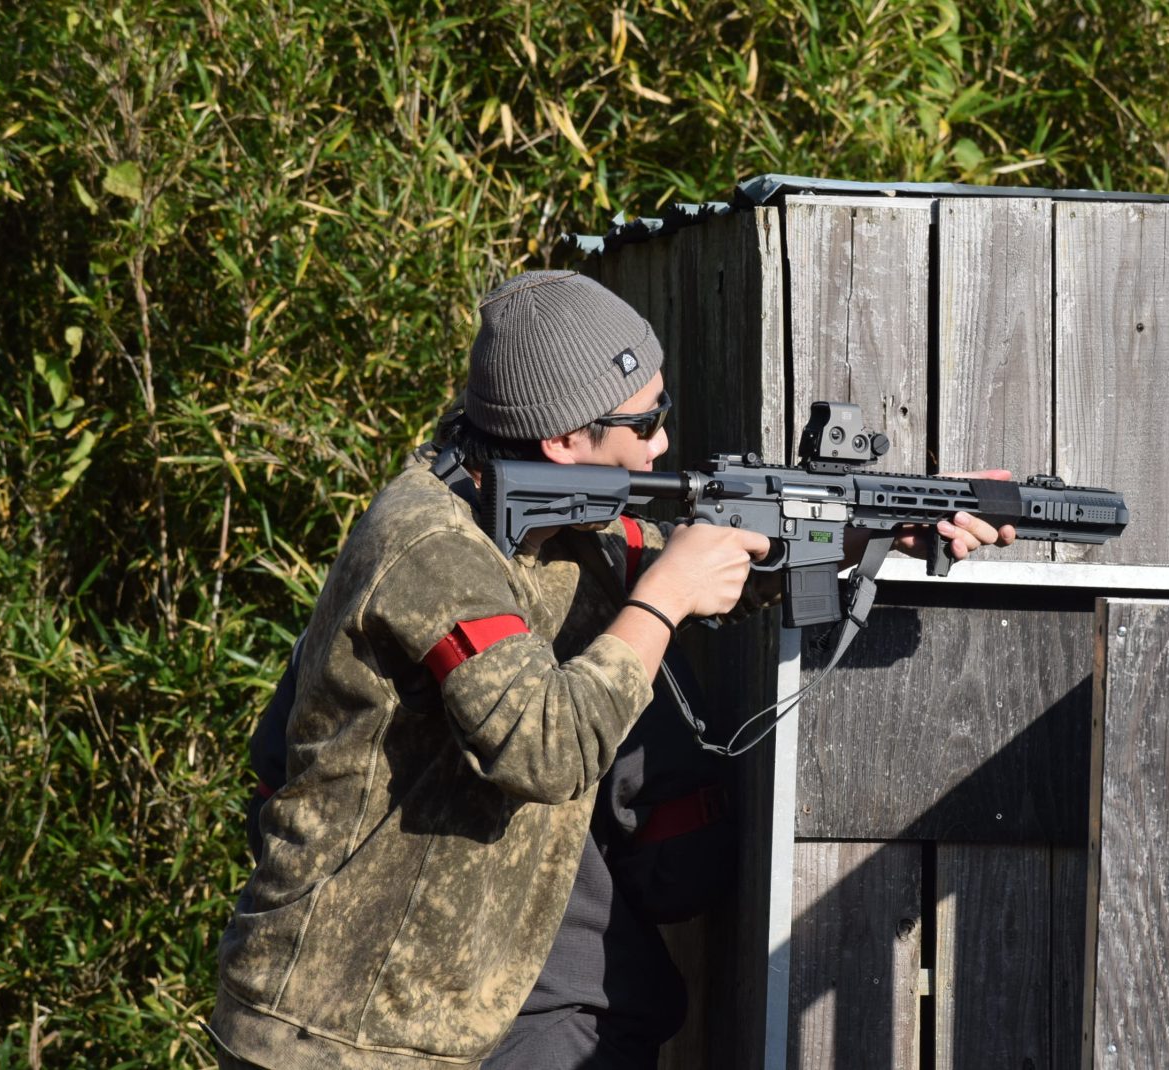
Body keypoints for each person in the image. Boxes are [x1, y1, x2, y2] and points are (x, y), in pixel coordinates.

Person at [209, 271, 1013, 1070]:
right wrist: (665, 599)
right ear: (564, 440)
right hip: (337, 1027)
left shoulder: (552, 523)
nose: (662, 442)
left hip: (441, 988)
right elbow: (543, 747)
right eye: (647, 420)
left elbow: (691, 566)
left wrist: (873, 529)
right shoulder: (431, 545)